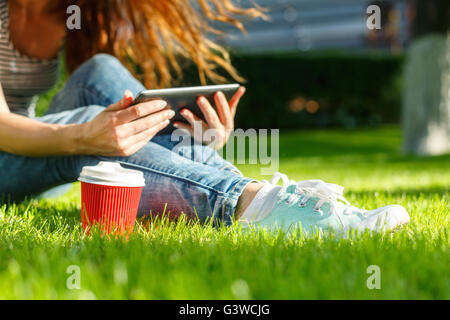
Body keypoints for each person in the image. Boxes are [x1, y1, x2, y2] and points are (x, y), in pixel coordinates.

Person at [0, 0, 410, 235]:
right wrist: (84, 136)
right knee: (89, 123)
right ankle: (247, 203)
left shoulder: (67, 10)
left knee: (101, 72)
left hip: (32, 156)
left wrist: (192, 141)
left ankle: (254, 195)